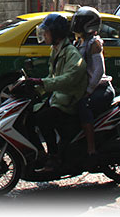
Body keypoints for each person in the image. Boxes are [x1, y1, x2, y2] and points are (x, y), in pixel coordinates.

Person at [24, 13, 87, 173]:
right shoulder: (56, 50)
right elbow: (52, 76)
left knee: (43, 119)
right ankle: (39, 154)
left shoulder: (71, 53)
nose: (44, 35)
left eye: (46, 32)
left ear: (56, 34)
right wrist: (35, 87)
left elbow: (67, 79)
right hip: (57, 98)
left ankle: (54, 157)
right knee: (28, 117)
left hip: (68, 101)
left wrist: (42, 83)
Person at [71, 6, 115, 170]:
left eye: (80, 22)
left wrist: (88, 91)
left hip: (100, 89)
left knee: (83, 106)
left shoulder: (94, 43)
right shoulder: (78, 41)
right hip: (86, 88)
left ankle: (91, 150)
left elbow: (99, 71)